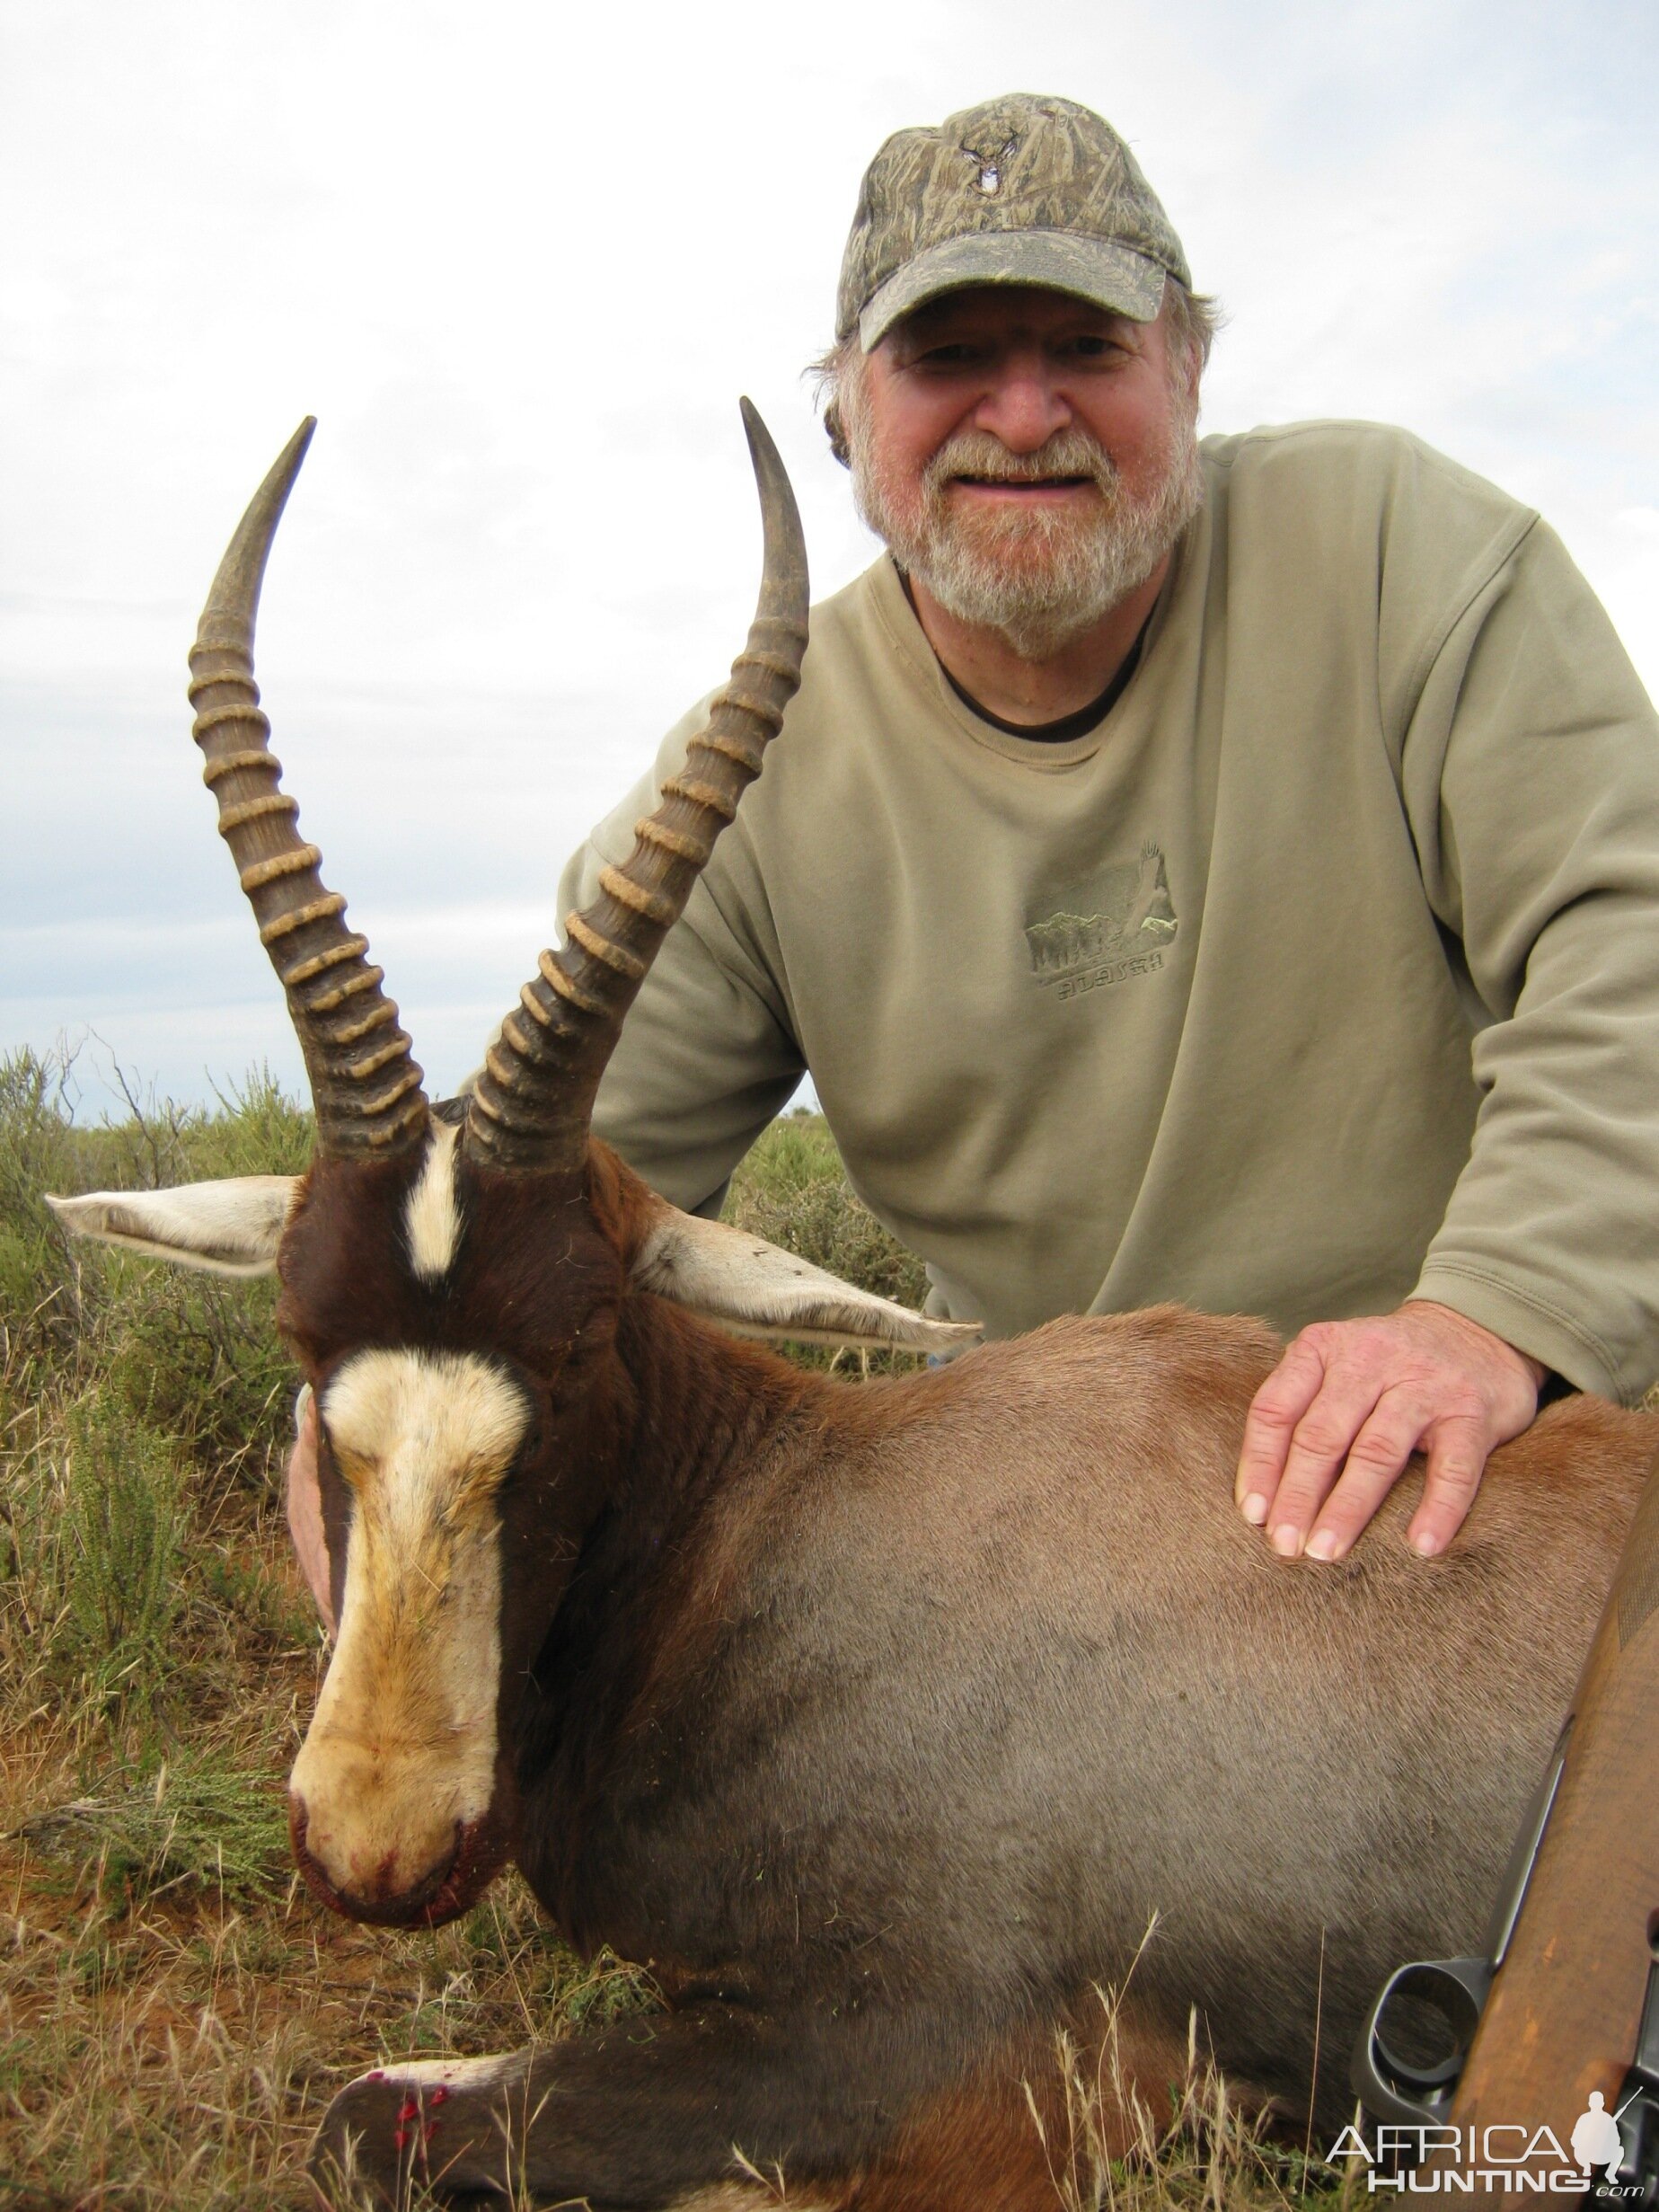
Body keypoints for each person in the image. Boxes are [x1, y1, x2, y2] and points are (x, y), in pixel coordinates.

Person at [287, 93, 1659, 1611]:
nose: (1022, 415)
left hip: (1513, 1445)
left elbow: (1633, 941)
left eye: (1086, 348)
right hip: (1072, 1537)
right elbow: (540, 1180)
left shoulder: (1409, 552)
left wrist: (1486, 1317)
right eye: (947, 359)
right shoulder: (749, 770)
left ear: (1188, 367)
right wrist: (385, 1370)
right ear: (849, 417)